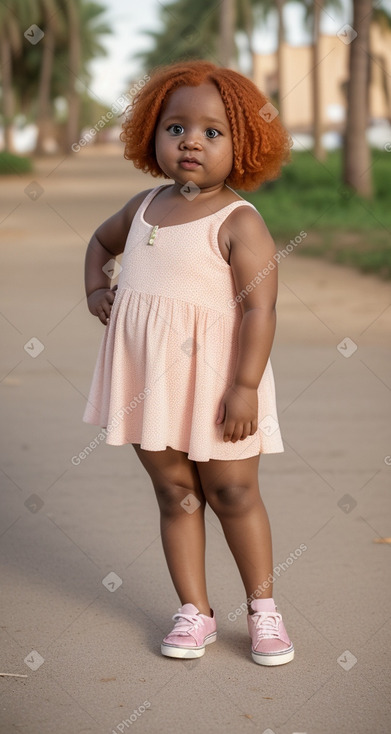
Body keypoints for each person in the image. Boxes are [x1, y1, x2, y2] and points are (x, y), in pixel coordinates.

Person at [83, 60, 294, 666]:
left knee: (232, 490)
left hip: (222, 383)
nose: (191, 142)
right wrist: (98, 288)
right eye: (175, 129)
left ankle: (263, 611)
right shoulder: (143, 207)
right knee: (175, 492)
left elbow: (260, 312)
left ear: (245, 144)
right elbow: (100, 243)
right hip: (153, 382)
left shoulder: (240, 222)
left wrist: (246, 386)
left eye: (212, 131)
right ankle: (194, 611)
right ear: (152, 134)